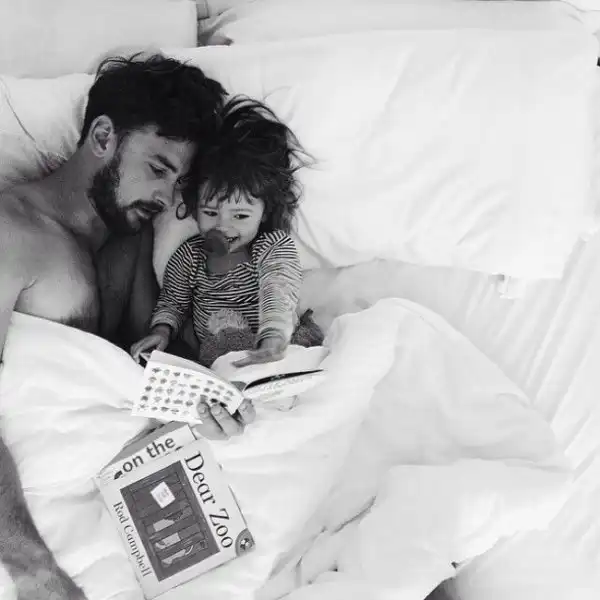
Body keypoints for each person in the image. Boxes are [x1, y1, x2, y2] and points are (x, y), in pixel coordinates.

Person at [0, 53, 255, 600]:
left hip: (120, 497)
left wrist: (209, 407)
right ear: (102, 136)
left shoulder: (130, 243)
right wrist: (34, 572)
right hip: (26, 534)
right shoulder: (11, 233)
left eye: (179, 182)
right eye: (158, 169)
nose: (165, 198)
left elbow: (141, 379)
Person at [130, 97, 324, 371]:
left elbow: (279, 287)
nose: (223, 226)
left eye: (240, 216)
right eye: (210, 212)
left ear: (264, 213)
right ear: (194, 208)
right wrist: (160, 332)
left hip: (280, 345)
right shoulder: (189, 257)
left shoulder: (271, 246)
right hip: (223, 360)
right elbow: (173, 302)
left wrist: (273, 334)